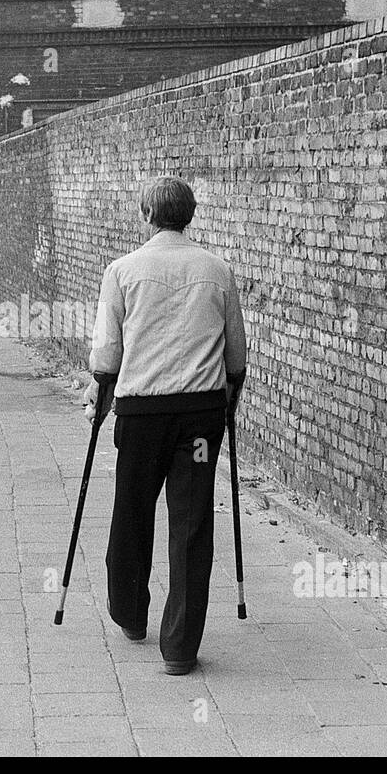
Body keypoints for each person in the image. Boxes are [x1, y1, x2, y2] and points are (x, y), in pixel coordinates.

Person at [84, 176, 247, 677]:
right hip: (198, 420)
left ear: (146, 214)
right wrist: (228, 404)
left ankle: (132, 615)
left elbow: (108, 352)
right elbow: (236, 353)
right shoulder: (218, 271)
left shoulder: (123, 271)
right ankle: (179, 647)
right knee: (193, 523)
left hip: (142, 417)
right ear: (190, 215)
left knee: (132, 511)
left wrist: (100, 393)